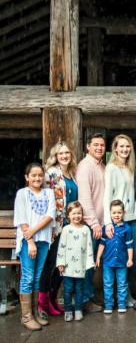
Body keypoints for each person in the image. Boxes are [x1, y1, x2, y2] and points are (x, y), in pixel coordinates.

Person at [103, 134, 136, 310]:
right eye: (121, 146)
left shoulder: (130, 168)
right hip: (118, 222)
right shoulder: (111, 168)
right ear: (115, 148)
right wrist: (108, 222)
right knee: (120, 259)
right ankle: (124, 295)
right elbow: (107, 196)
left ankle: (135, 292)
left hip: (132, 218)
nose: (125, 149)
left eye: (128, 146)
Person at [38, 141, 78, 319]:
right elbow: (43, 198)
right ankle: (43, 304)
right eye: (61, 153)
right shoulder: (51, 173)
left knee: (64, 265)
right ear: (55, 155)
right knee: (51, 265)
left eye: (67, 153)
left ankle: (53, 300)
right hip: (55, 227)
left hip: (71, 227)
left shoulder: (72, 173)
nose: (64, 156)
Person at [14, 163, 56, 331]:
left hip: (44, 240)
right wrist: (30, 240)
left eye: (40, 175)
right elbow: (22, 219)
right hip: (27, 241)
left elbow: (50, 215)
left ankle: (36, 313)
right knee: (28, 277)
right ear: (27, 177)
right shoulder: (22, 194)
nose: (37, 178)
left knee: (38, 276)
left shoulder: (49, 193)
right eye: (33, 175)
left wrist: (34, 231)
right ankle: (26, 316)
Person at [76, 132, 106, 312]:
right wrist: (94, 223)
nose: (99, 148)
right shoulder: (85, 166)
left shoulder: (101, 166)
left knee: (95, 263)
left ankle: (91, 295)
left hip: (101, 224)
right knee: (87, 264)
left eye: (102, 145)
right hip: (90, 225)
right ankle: (84, 300)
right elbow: (85, 198)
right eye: (95, 145)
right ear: (88, 146)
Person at [56, 201, 94, 322]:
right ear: (68, 216)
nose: (76, 216)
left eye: (79, 213)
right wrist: (60, 262)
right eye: (73, 213)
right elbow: (61, 246)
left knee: (79, 289)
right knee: (67, 289)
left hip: (80, 266)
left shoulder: (86, 230)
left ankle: (78, 310)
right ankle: (68, 311)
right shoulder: (66, 230)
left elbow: (89, 247)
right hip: (68, 266)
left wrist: (89, 263)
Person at [96, 200, 134, 314]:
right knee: (108, 284)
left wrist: (130, 259)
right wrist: (98, 258)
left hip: (122, 262)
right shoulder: (107, 228)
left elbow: (130, 245)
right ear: (110, 213)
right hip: (108, 262)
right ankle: (108, 305)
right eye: (114, 213)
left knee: (122, 284)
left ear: (123, 213)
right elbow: (102, 244)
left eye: (119, 212)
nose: (116, 215)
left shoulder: (127, 228)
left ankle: (122, 304)